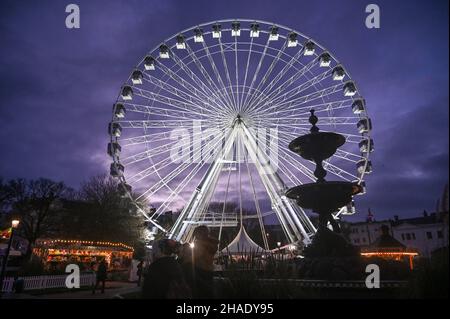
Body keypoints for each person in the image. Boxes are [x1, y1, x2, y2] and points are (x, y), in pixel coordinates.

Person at [185, 226, 219, 298]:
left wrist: (184, 261)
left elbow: (195, 256)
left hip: (200, 271)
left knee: (199, 292)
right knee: (208, 292)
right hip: (209, 270)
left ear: (199, 234)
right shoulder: (212, 244)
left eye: (196, 233)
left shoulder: (200, 244)